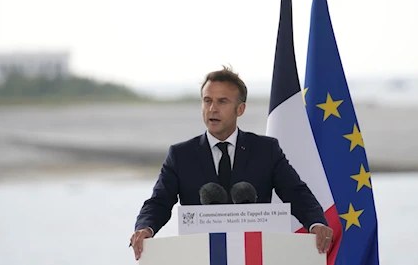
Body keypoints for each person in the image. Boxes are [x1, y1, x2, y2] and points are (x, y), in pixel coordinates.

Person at [130, 66, 333, 260]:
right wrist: (145, 228)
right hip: (200, 255)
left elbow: (296, 193)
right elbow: (159, 202)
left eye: (222, 101)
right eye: (207, 100)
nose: (212, 109)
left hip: (255, 255)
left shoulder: (266, 150)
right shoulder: (180, 155)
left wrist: (315, 223)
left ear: (240, 109)